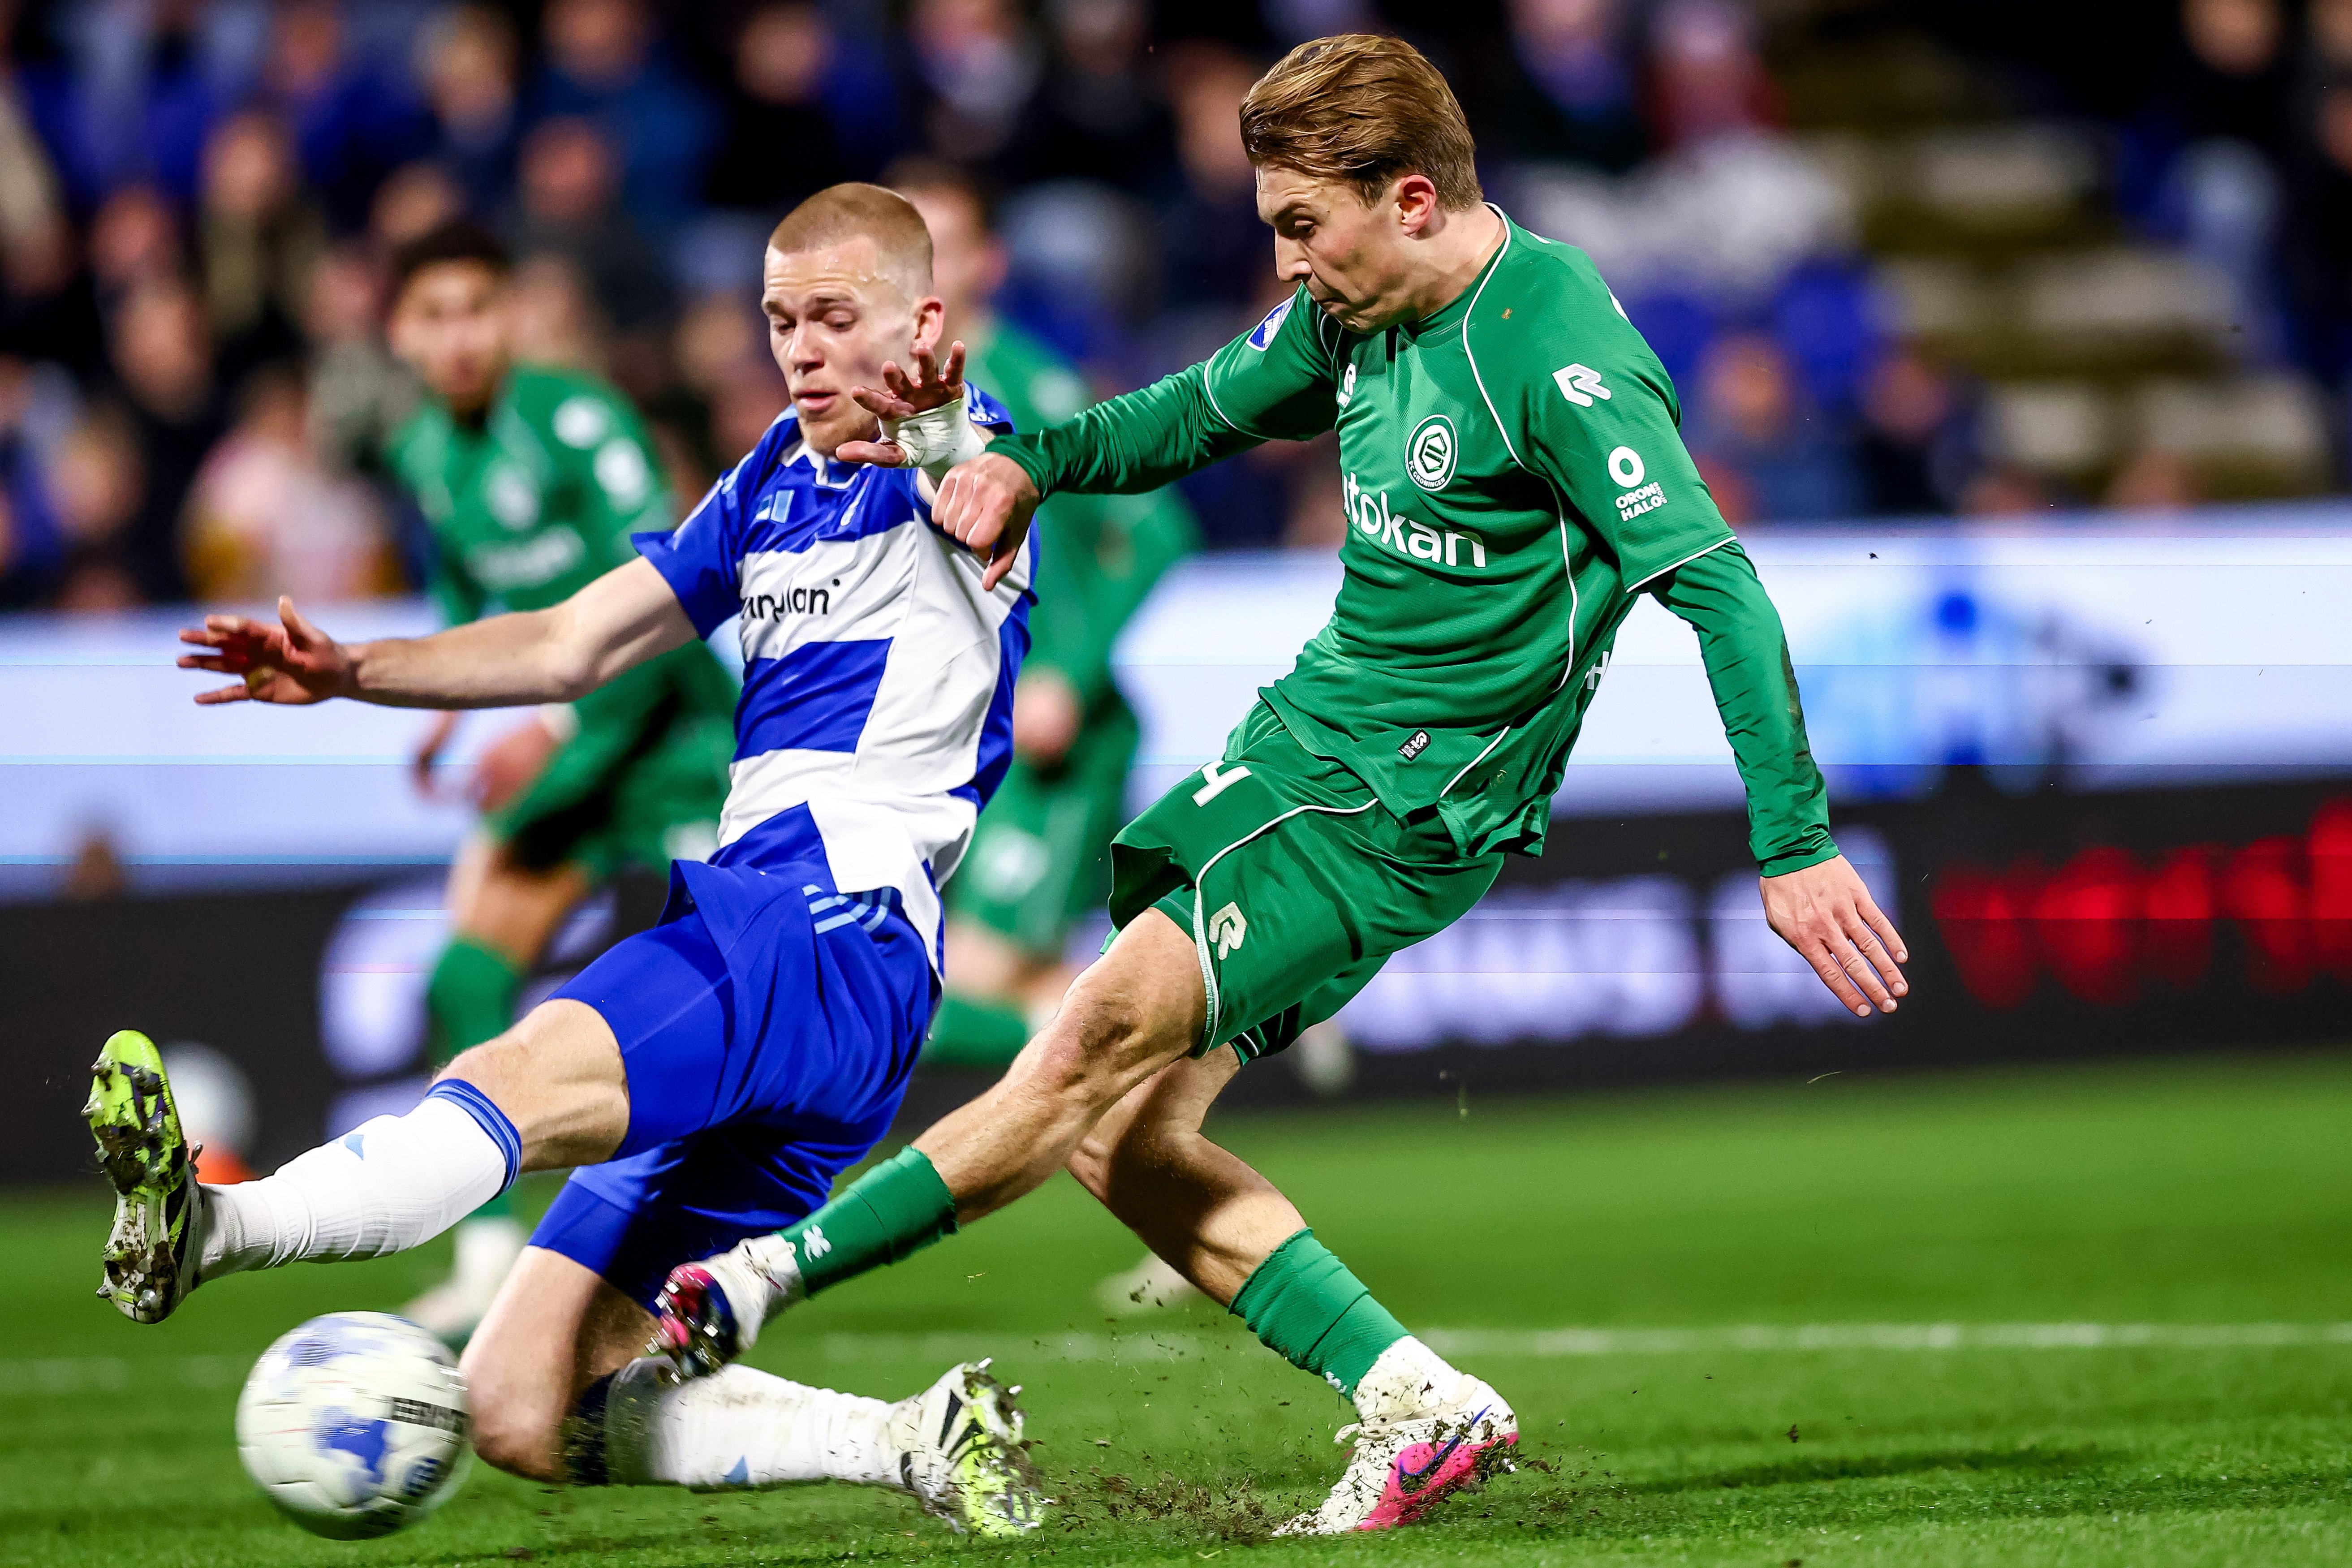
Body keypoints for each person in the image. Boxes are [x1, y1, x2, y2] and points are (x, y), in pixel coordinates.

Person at [653, 35, 1910, 1537]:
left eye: (1303, 225)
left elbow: (1718, 590)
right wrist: (1026, 465)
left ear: (1413, 199)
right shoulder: (1354, 311)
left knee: (1083, 1044)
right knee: (1119, 1134)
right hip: (1303, 751)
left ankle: (755, 1279)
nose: (1285, 263)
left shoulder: (1555, 353)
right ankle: (1417, 1400)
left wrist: (1794, 842)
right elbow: (1190, 414)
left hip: (1398, 802)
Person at [90, 184, 1048, 1536]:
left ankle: (219, 1230)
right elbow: (569, 642)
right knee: (520, 1404)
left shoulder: (980, 458)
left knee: (511, 1075)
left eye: (837, 317)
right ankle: (913, 1439)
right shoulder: (772, 476)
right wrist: (356, 669)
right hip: (841, 985)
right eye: (781, 321)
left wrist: (944, 424)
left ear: (924, 322)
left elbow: (974, 491)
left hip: (817, 923)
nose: (802, 350)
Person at [378, 220, 737, 1343]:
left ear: (512, 317)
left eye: (477, 311)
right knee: (466, 975)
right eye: (435, 317)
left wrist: (545, 723)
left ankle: (1032, 1028)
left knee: (778, 988)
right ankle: (488, 1260)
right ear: (399, 334)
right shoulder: (421, 453)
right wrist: (449, 697)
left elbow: (665, 589)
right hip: (575, 758)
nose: (459, 339)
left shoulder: (579, 420)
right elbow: (464, 583)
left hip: (672, 737)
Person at [888, 160, 1198, 1070]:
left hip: (1048, 747)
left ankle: (1205, 1028)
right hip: (950, 740)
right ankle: (1205, 1021)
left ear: (986, 264)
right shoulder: (878, 401)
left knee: (961, 985)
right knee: (954, 986)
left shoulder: (1032, 385)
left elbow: (1155, 530)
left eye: (940, 249)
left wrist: (1066, 673)